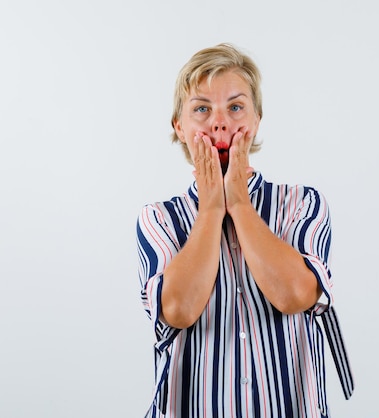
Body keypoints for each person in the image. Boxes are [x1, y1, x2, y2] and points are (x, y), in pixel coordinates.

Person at [136, 43, 354, 417]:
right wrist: (210, 210)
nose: (219, 122)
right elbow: (178, 309)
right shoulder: (158, 219)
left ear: (255, 122)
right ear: (180, 127)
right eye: (201, 109)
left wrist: (238, 202)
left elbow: (295, 295)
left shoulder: (301, 204)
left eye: (235, 107)